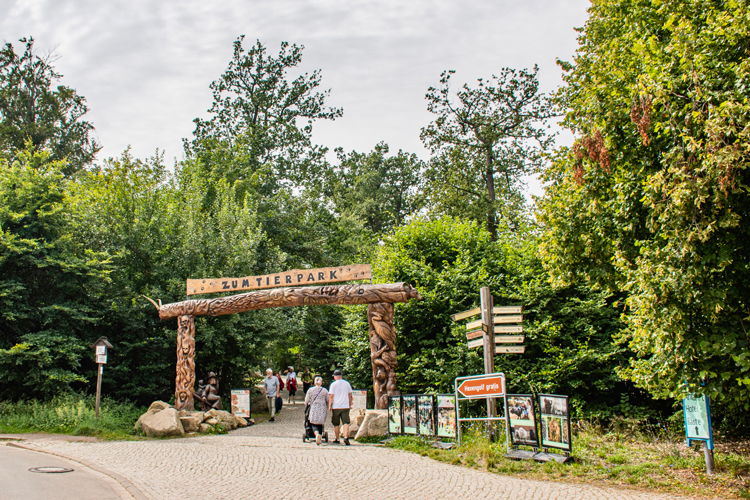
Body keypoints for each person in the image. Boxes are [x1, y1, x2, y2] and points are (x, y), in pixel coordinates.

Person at [328, 369, 353, 445]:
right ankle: (346, 437)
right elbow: (350, 395)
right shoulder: (347, 383)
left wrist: (329, 405)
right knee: (346, 422)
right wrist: (349, 404)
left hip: (336, 406)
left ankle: (337, 438)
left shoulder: (333, 384)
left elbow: (331, 396)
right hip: (345, 406)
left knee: (336, 423)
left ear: (335, 377)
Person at [304, 376, 329, 445]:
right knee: (320, 423)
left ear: (314, 382)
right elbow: (328, 400)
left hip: (314, 408)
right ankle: (320, 436)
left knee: (313, 422)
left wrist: (306, 404)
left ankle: (317, 434)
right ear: (321, 382)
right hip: (322, 408)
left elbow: (306, 400)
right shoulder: (324, 391)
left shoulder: (310, 390)